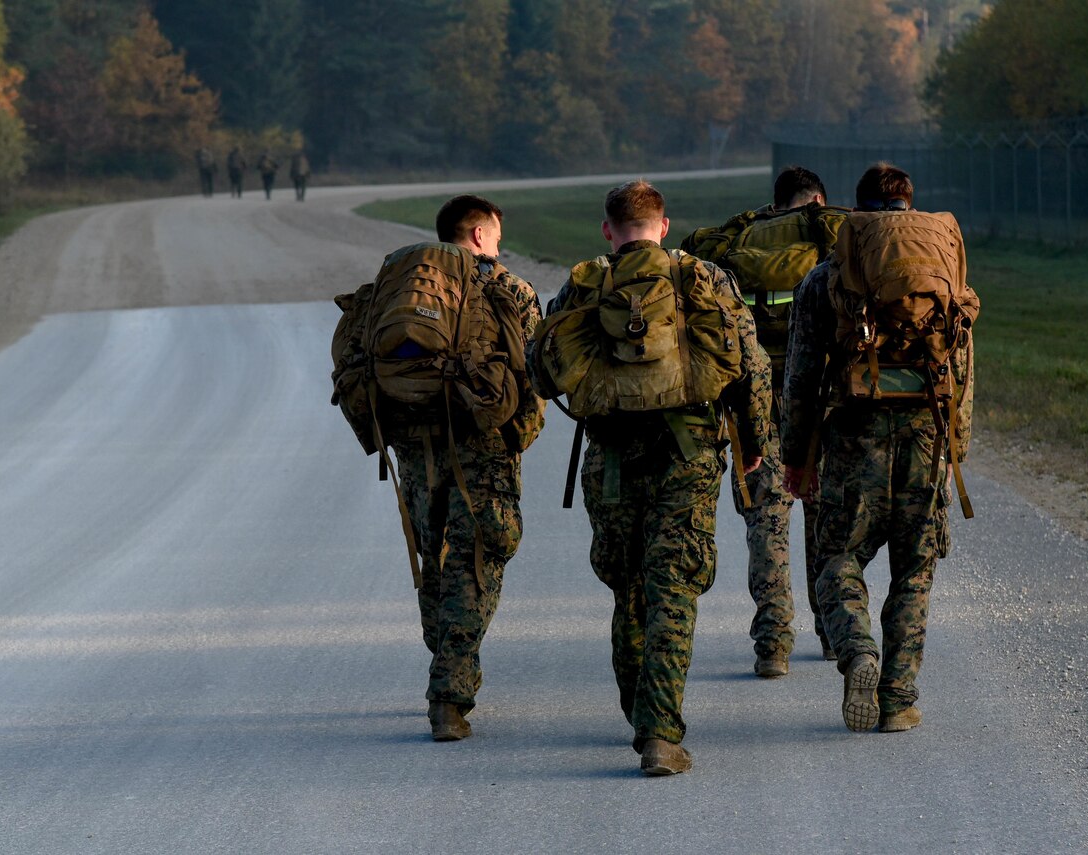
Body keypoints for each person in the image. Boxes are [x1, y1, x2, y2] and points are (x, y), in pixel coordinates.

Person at [528, 181, 775, 775]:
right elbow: (751, 365)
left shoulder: (586, 283)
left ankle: (641, 711)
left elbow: (542, 371)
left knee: (629, 585)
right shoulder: (705, 279)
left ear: (609, 230)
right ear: (663, 226)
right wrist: (754, 443)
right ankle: (661, 730)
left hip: (609, 459)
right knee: (674, 587)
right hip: (687, 454)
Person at [332, 195, 545, 742]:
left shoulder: (395, 283)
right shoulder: (509, 289)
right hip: (482, 442)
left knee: (436, 551)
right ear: (478, 235)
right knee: (478, 555)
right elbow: (537, 373)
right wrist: (518, 434)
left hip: (411, 438)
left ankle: (447, 653)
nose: (497, 245)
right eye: (495, 234)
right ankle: (449, 692)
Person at [780, 163, 979, 733]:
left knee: (839, 557)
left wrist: (796, 457)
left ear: (859, 212)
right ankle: (897, 698)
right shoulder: (944, 276)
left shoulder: (824, 279)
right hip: (926, 434)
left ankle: (857, 650)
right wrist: (954, 449)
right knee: (914, 569)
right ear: (911, 208)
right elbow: (962, 367)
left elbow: (799, 376)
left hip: (853, 436)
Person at [683, 166, 849, 676]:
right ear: (818, 199)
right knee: (826, 517)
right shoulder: (836, 235)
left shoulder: (738, 236)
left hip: (749, 401)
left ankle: (773, 643)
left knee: (767, 521)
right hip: (820, 397)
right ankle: (831, 631)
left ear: (775, 203)